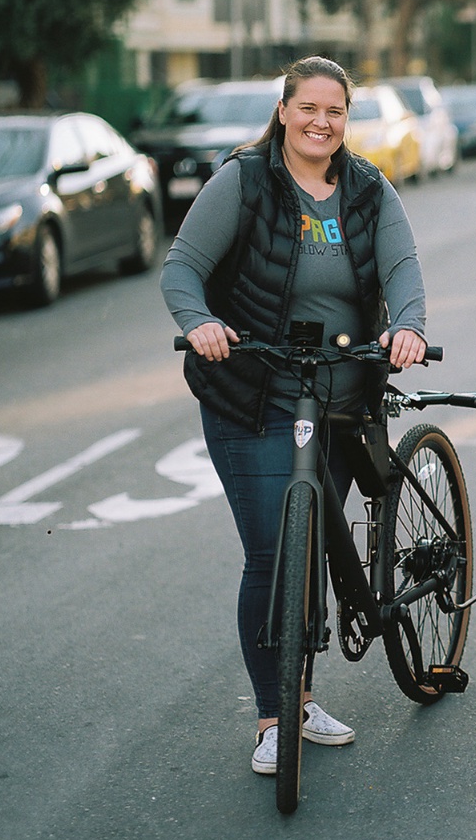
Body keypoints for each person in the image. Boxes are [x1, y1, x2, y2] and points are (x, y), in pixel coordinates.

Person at [161, 56, 428, 776]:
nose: (320, 121)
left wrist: (407, 325)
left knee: (308, 548)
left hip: (340, 396)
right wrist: (200, 323)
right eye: (307, 107)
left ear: (346, 119)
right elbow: (182, 267)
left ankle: (302, 694)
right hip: (253, 390)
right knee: (273, 553)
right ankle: (276, 717)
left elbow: (402, 268)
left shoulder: (367, 188)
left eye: (334, 112)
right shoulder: (244, 182)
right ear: (283, 111)